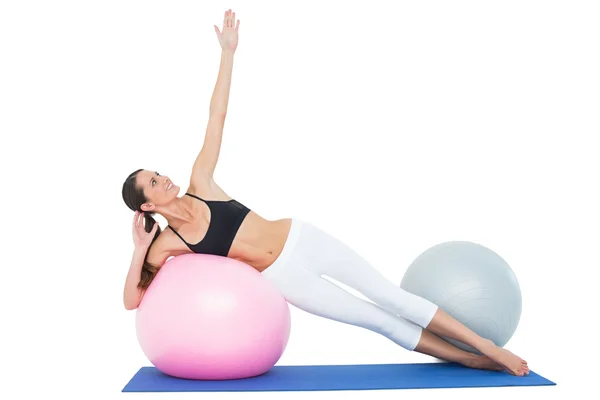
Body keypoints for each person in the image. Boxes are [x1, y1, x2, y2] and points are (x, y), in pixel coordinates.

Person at [121, 9, 529, 377]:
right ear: (148, 205)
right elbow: (131, 301)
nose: (164, 178)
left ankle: (486, 347)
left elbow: (217, 116)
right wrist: (140, 248)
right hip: (286, 279)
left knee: (394, 298)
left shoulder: (201, 184)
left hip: (303, 240)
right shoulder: (166, 245)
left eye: (158, 173)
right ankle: (471, 360)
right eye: (154, 183)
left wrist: (228, 53)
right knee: (379, 321)